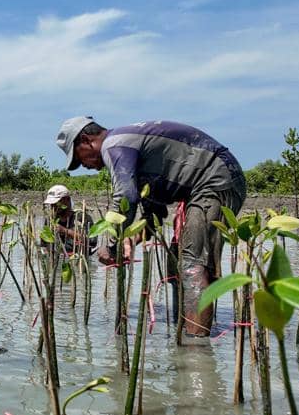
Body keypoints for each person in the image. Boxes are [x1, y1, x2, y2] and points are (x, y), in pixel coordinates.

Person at [56, 117, 246, 339]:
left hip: (215, 180)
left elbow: (125, 196)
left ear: (86, 140)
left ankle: (197, 351)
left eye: (79, 159)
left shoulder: (114, 145)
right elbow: (154, 216)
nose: (84, 167)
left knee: (192, 263)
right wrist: (131, 239)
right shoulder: (135, 154)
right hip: (206, 184)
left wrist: (110, 243)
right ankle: (186, 331)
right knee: (177, 262)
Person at [41, 184, 96, 256]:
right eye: (51, 203)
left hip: (78, 260)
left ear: (67, 200)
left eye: (56, 203)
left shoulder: (82, 218)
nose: (53, 206)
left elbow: (92, 242)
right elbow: (43, 245)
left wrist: (65, 231)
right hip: (56, 260)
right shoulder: (50, 220)